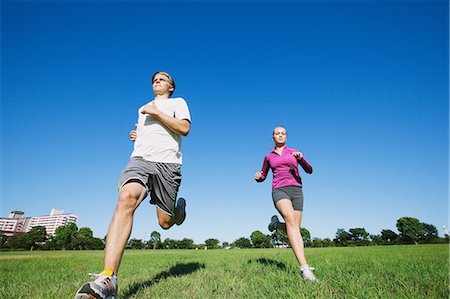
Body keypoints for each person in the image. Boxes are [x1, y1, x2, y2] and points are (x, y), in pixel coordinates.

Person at [75, 71, 191, 299]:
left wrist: (156, 113)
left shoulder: (178, 102)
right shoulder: (142, 108)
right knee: (126, 197)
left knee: (165, 223)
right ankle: (108, 278)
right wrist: (138, 135)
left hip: (168, 165)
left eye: (163, 78)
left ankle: (179, 211)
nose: (157, 80)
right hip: (140, 160)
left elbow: (184, 129)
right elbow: (150, 133)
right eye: (154, 79)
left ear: (171, 86)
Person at [254, 126, 316, 282]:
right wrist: (258, 177)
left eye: (283, 134)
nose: (280, 135)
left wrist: (301, 159)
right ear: (273, 137)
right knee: (290, 220)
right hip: (279, 190)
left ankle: (276, 226)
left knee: (294, 227)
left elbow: (310, 170)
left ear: (286, 138)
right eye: (277, 134)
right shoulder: (268, 156)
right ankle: (305, 269)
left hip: (297, 191)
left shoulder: (294, 152)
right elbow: (263, 175)